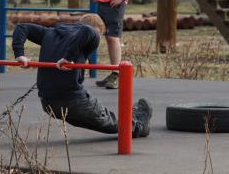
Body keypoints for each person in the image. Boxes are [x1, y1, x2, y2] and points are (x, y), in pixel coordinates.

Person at [12, 14, 152, 137]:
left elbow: (22, 27)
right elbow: (88, 30)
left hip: (48, 103)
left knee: (98, 122)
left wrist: (19, 54)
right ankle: (139, 124)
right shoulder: (90, 33)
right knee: (108, 120)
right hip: (73, 99)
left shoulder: (51, 32)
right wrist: (68, 57)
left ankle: (135, 122)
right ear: (99, 31)